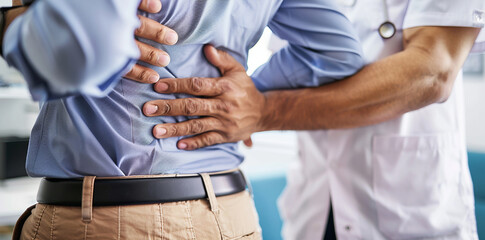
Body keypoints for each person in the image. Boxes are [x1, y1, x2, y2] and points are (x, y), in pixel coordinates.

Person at [1, 0, 365, 239]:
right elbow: (338, 56)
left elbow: (76, 56)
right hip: (232, 217)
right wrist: (234, 95)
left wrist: (13, 20)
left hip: (115, 222)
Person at [140, 0, 485, 239]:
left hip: (411, 213)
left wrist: (262, 110)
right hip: (313, 208)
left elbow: (432, 72)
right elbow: (298, 63)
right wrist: (238, 97)